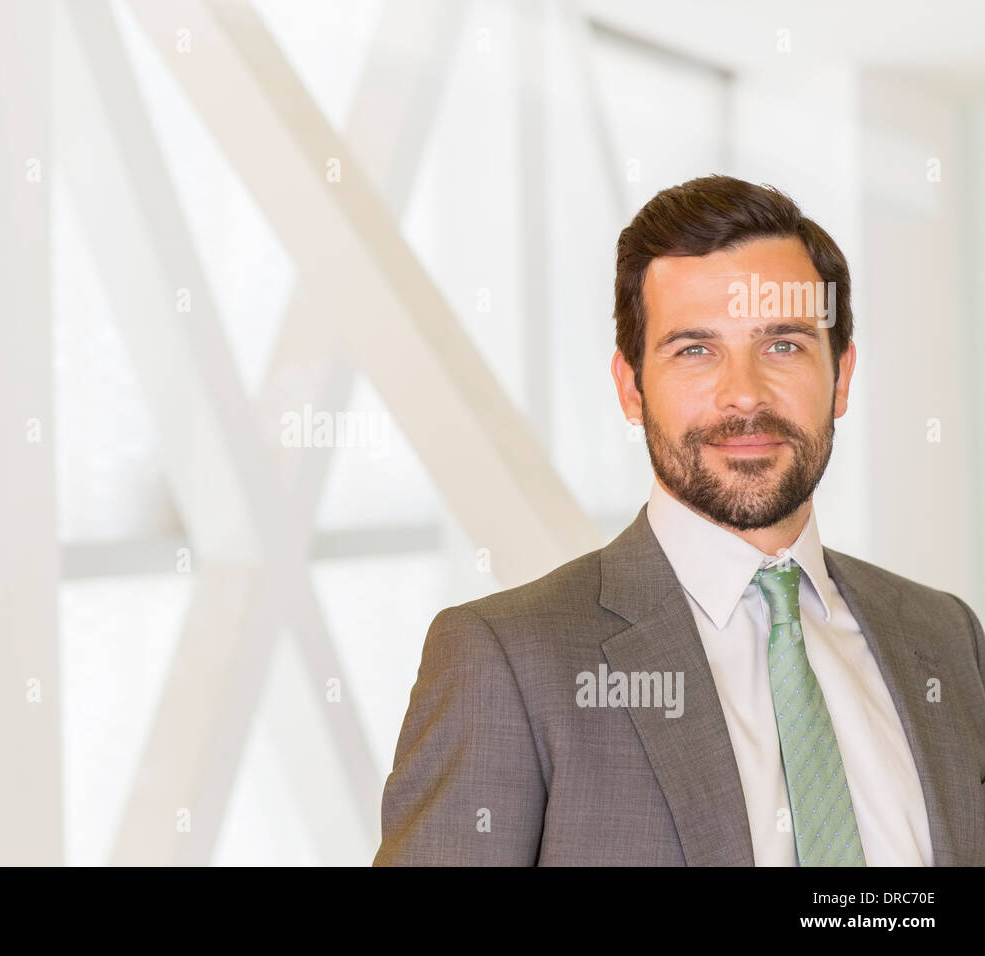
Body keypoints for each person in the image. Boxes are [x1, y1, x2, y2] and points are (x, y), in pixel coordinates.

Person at [373, 175, 985, 866]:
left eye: (783, 344)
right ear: (631, 388)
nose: (744, 394)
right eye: (695, 349)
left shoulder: (945, 639)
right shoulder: (510, 663)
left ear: (840, 376)